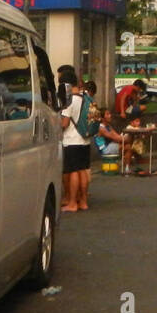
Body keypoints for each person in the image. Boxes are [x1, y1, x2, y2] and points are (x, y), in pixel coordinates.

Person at [59, 66, 89, 212]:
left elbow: (64, 123)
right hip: (85, 139)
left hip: (72, 140)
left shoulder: (69, 101)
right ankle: (83, 201)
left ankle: (72, 203)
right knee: (82, 170)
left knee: (73, 172)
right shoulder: (85, 98)